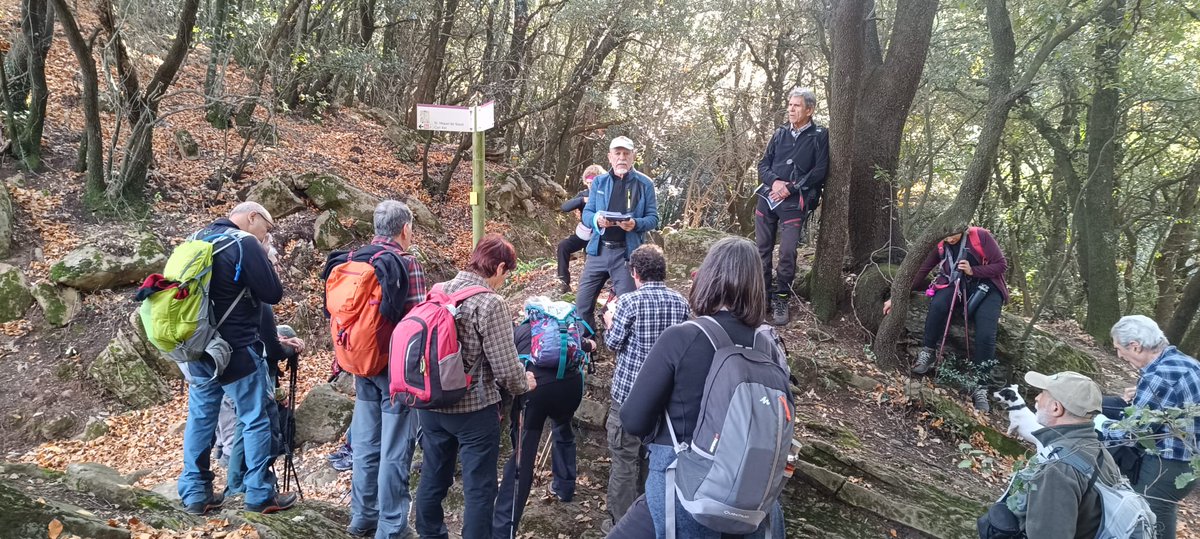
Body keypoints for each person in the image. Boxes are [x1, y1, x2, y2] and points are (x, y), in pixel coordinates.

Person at [616, 237, 786, 538]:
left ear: (708, 278)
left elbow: (633, 418)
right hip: (749, 499)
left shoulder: (682, 338)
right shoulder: (769, 347)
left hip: (683, 489)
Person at [176, 201, 297, 515]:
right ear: (252, 217)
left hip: (198, 348)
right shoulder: (243, 243)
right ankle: (259, 494)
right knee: (255, 417)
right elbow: (273, 294)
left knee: (201, 420)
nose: (265, 235)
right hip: (237, 350)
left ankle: (195, 493)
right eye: (266, 229)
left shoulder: (195, 239)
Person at [413, 234, 537, 539]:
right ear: (498, 268)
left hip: (431, 403)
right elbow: (506, 369)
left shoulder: (438, 290)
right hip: (473, 411)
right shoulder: (490, 303)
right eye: (506, 274)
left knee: (432, 475)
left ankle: (429, 534)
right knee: (479, 488)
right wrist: (526, 383)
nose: (504, 281)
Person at [322, 200, 428, 539]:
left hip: (359, 363)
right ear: (405, 229)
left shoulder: (354, 259)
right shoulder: (406, 263)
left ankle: (362, 516)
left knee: (366, 445)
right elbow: (418, 324)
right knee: (395, 449)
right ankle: (392, 525)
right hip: (395, 371)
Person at [601, 244, 691, 532]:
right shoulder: (681, 303)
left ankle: (621, 524)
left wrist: (608, 321)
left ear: (635, 273)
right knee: (653, 461)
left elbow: (613, 343)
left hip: (629, 395)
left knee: (624, 459)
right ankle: (650, 522)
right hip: (666, 399)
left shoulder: (628, 302)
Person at [492, 299, 597, 538]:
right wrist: (590, 344)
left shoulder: (523, 329)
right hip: (570, 389)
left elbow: (507, 361)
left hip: (535, 391)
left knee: (523, 455)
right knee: (563, 427)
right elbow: (587, 346)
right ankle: (565, 486)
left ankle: (503, 528)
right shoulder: (567, 330)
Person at [883, 226, 1008, 412]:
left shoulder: (980, 236)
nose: (950, 239)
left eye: (954, 235)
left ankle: (981, 387)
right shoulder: (941, 242)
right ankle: (927, 352)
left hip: (987, 288)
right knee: (938, 305)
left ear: (963, 228)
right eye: (946, 236)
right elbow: (923, 270)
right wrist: (897, 296)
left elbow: (1001, 265)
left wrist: (974, 271)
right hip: (954, 282)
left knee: (985, 335)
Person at [1098, 315, 1200, 538]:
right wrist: (1142, 395)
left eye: (1118, 348)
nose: (1119, 355)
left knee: (1148, 523)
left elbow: (1133, 433)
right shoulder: (1187, 363)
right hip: (1191, 464)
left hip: (1167, 466)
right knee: (1163, 512)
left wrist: (1100, 426)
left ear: (1135, 346)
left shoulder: (1160, 375)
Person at [1006, 371, 1119, 538]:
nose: (1037, 398)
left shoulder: (1058, 467)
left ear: (1056, 408)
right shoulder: (1099, 452)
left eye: (1043, 394)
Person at [755, 87, 829, 326]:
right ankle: (762, 297)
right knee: (761, 250)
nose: (791, 109)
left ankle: (782, 298)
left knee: (787, 252)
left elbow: (819, 171)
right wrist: (775, 181)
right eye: (789, 104)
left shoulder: (819, 135)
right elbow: (763, 164)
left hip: (793, 203)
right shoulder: (779, 133)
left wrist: (791, 187)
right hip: (768, 199)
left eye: (796, 105)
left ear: (810, 109)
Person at [576, 136, 659, 334]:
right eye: (617, 153)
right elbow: (587, 214)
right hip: (598, 251)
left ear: (633, 157)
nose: (621, 158)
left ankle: (623, 352)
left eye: (626, 153)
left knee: (629, 308)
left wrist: (635, 224)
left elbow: (653, 218)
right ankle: (588, 348)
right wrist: (597, 219)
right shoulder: (599, 182)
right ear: (610, 157)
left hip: (627, 255)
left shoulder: (645, 184)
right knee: (582, 305)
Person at [556, 164, 606, 294]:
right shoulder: (583, 194)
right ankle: (563, 283)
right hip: (583, 233)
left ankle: (598, 285)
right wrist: (582, 200)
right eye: (588, 182)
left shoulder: (606, 193)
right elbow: (565, 207)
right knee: (563, 246)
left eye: (593, 182)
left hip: (600, 236)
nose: (590, 185)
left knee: (591, 256)